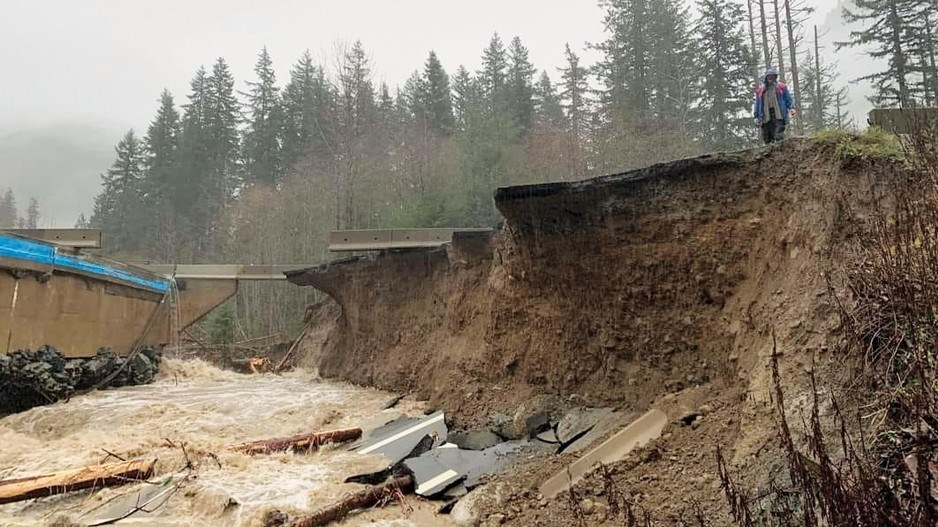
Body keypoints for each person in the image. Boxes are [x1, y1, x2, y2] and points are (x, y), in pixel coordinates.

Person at [753, 66, 795, 144]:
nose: (770, 78)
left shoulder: (781, 87)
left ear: (775, 77)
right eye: (768, 76)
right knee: (767, 138)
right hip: (765, 117)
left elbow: (788, 98)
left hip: (779, 115)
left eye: (772, 76)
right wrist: (756, 117)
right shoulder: (761, 90)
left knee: (779, 135)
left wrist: (791, 108)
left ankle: (782, 151)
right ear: (766, 77)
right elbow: (757, 105)